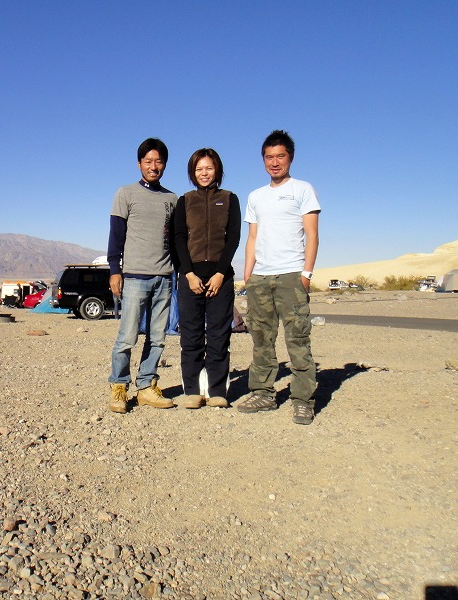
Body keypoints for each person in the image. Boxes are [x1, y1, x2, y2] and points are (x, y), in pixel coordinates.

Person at [237, 130, 321, 425]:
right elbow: (252, 237)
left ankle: (302, 400)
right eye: (269, 157)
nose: (275, 162)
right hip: (260, 276)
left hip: (291, 274)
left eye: (280, 156)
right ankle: (263, 393)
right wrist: (248, 274)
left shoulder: (302, 189)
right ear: (263, 160)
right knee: (261, 338)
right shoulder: (255, 196)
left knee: (297, 338)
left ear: (290, 158)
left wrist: (306, 274)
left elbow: (312, 234)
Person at [107, 138, 177, 414]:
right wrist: (115, 270)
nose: (153, 166)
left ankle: (147, 386)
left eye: (158, 161)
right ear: (139, 164)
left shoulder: (172, 199)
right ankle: (119, 386)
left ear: (165, 165)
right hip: (135, 277)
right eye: (148, 161)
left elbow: (175, 241)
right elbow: (116, 235)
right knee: (127, 337)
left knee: (158, 337)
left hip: (164, 277)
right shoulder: (125, 194)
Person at [173, 148, 241, 409]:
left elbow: (233, 237)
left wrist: (220, 273)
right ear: (193, 172)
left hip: (220, 277)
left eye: (209, 168)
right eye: (199, 169)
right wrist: (188, 273)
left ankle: (216, 390)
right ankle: (192, 390)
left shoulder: (229, 198)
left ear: (217, 170)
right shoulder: (185, 200)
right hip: (190, 276)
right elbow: (179, 238)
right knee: (190, 335)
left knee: (218, 335)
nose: (204, 173)